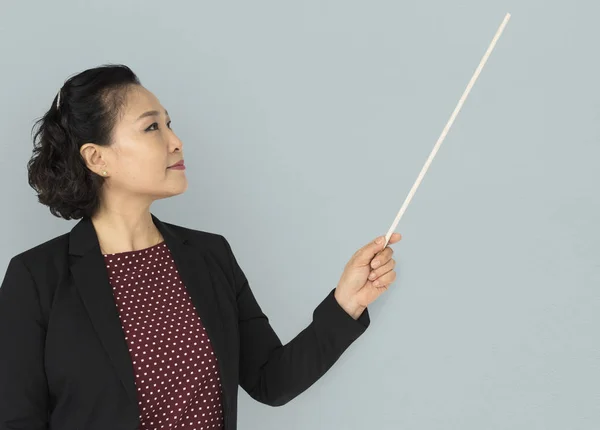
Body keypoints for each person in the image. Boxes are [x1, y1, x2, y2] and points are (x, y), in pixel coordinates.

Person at [0, 64, 401, 430]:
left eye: (170, 124)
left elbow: (270, 380)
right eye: (152, 128)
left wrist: (347, 303)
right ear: (97, 158)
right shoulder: (36, 279)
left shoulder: (210, 255)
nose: (176, 141)